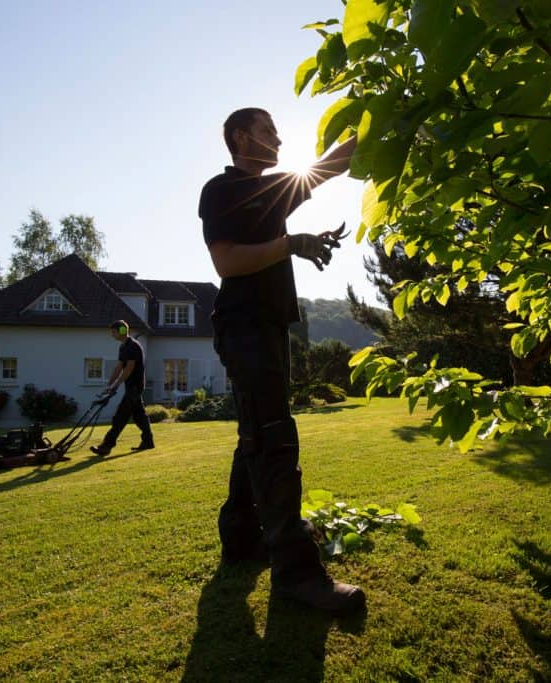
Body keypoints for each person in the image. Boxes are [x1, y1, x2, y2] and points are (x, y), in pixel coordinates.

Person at [198, 107, 363, 614]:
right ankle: (296, 573)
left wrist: (374, 122)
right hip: (242, 324)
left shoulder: (271, 192)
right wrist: (292, 242)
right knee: (273, 435)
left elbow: (328, 166)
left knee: (257, 431)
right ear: (240, 137)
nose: (278, 137)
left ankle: (241, 537)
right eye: (269, 129)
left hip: (266, 325)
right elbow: (226, 261)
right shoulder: (220, 190)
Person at [91, 320, 154, 455]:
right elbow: (119, 367)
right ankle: (148, 442)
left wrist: (116, 385)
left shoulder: (133, 346)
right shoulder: (123, 347)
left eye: (114, 332)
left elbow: (129, 368)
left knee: (121, 416)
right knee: (139, 416)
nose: (112, 335)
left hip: (135, 386)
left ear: (122, 331)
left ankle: (107, 446)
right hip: (130, 387)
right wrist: (109, 385)